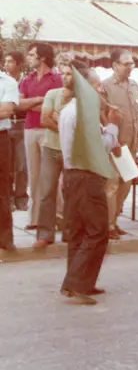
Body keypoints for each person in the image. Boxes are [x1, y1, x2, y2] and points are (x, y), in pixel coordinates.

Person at [59, 62, 121, 304]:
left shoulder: (70, 110)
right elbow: (101, 147)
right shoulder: (82, 113)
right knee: (97, 231)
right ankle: (77, 284)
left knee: (78, 231)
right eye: (96, 87)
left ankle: (81, 282)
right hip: (87, 175)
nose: (100, 92)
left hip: (74, 174)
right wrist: (113, 124)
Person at [18, 43, 63, 230]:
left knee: (51, 175)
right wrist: (40, 101)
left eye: (31, 54)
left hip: (48, 130)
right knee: (34, 174)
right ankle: (35, 217)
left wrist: (30, 104)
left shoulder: (57, 79)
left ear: (42, 57)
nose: (28, 57)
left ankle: (58, 215)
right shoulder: (27, 80)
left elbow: (57, 106)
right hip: (30, 129)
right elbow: (18, 104)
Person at [101, 49, 138, 240]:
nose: (129, 67)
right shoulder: (106, 87)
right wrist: (112, 138)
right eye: (125, 63)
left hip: (132, 142)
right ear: (115, 65)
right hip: (116, 143)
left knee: (126, 182)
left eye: (131, 64)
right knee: (112, 184)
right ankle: (107, 224)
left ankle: (115, 220)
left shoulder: (134, 86)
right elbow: (102, 115)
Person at [34, 65, 73, 248]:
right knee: (47, 192)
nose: (65, 77)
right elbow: (44, 119)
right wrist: (66, 126)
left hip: (72, 151)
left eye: (69, 74)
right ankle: (45, 234)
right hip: (51, 148)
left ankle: (70, 232)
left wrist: (59, 119)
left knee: (72, 193)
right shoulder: (52, 94)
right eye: (63, 74)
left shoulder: (81, 98)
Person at [3, 51, 29, 212]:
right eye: (5, 61)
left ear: (19, 64)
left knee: (21, 165)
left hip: (21, 124)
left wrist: (19, 103)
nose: (7, 64)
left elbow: (22, 104)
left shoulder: (25, 81)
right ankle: (9, 197)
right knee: (7, 165)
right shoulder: (3, 82)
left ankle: (21, 197)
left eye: (11, 61)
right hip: (6, 124)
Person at [0, 68, 20, 252]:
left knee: (2, 189)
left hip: (1, 138)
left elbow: (6, 111)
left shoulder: (8, 82)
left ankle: (5, 237)